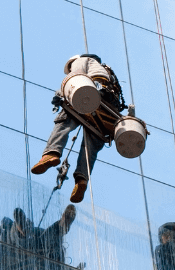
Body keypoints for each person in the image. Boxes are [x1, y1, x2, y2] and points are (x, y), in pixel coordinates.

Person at [31, 54, 126, 203]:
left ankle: (51, 153)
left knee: (63, 122)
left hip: (88, 99)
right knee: (91, 146)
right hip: (108, 112)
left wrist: (59, 95)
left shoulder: (83, 61)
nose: (70, 71)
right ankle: (82, 179)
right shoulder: (112, 77)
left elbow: (77, 82)